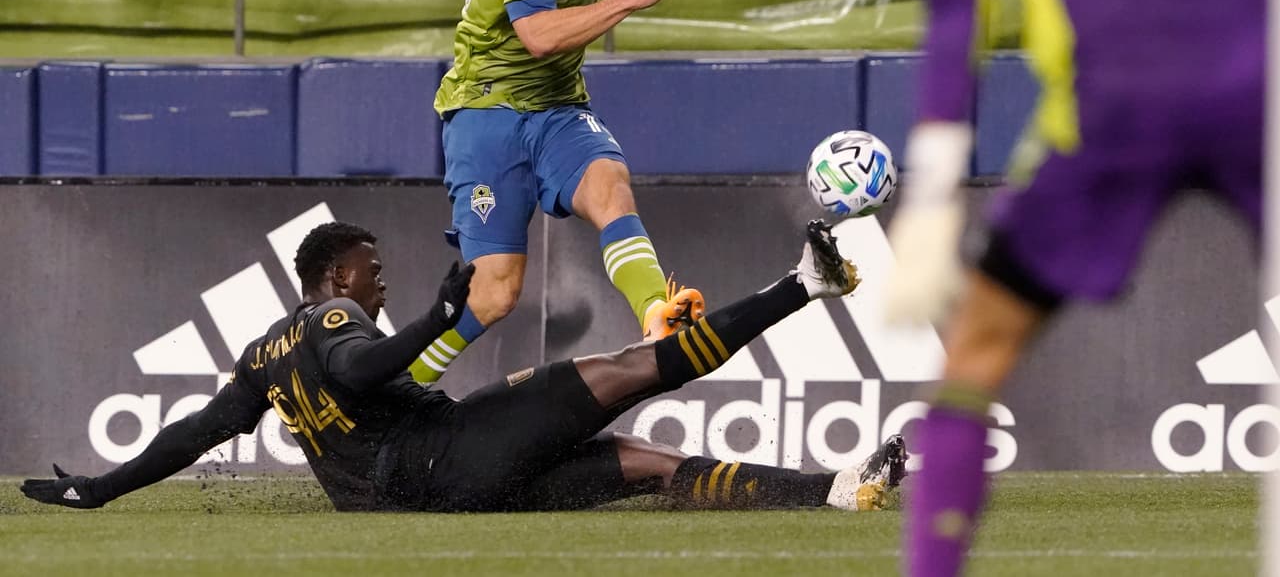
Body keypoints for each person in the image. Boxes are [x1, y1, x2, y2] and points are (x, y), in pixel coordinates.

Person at [883, 0, 1273, 574]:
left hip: (1113, 107)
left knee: (977, 349)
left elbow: (957, 16)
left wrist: (932, 197)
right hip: (1259, 90)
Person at [23, 220, 907, 514]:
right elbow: (360, 367)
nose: (380, 279)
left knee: (646, 462)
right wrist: (439, 317)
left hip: (440, 490)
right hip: (447, 453)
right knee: (629, 368)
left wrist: (101, 487)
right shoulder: (334, 317)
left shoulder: (263, 354)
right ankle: (806, 282)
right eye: (371, 267)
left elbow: (190, 434)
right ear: (336, 276)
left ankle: (831, 492)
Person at [419, 0, 699, 385]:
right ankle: (403, 381)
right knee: (495, 293)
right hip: (487, 110)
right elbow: (539, 36)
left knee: (610, 184)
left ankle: (656, 315)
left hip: (557, 107)